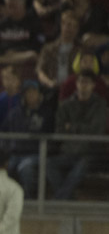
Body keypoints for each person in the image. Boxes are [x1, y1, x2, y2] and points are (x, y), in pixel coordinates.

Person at [46, 70, 107, 200]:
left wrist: (72, 127)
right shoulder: (66, 105)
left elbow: (96, 130)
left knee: (81, 166)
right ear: (76, 84)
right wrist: (81, 128)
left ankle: (60, 198)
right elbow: (60, 129)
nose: (83, 85)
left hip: (91, 153)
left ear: (93, 85)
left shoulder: (100, 105)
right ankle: (68, 198)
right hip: (68, 151)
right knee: (48, 163)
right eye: (80, 82)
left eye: (86, 82)